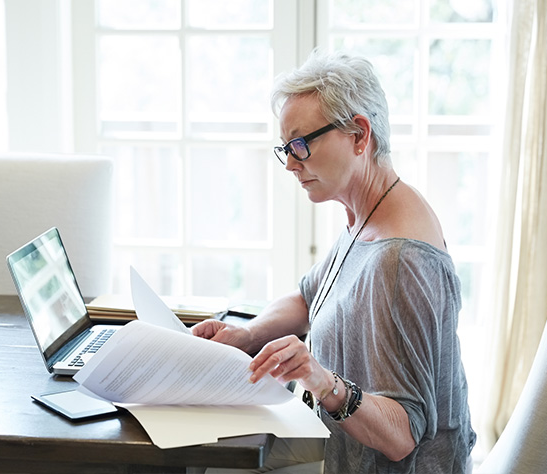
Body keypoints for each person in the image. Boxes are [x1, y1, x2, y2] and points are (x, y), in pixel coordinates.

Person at [193, 49, 476, 473]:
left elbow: (402, 435)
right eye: (286, 148)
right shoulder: (367, 215)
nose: (291, 164)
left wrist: (323, 382)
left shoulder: (402, 258)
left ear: (359, 135)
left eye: (301, 145)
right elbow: (309, 298)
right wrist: (247, 335)